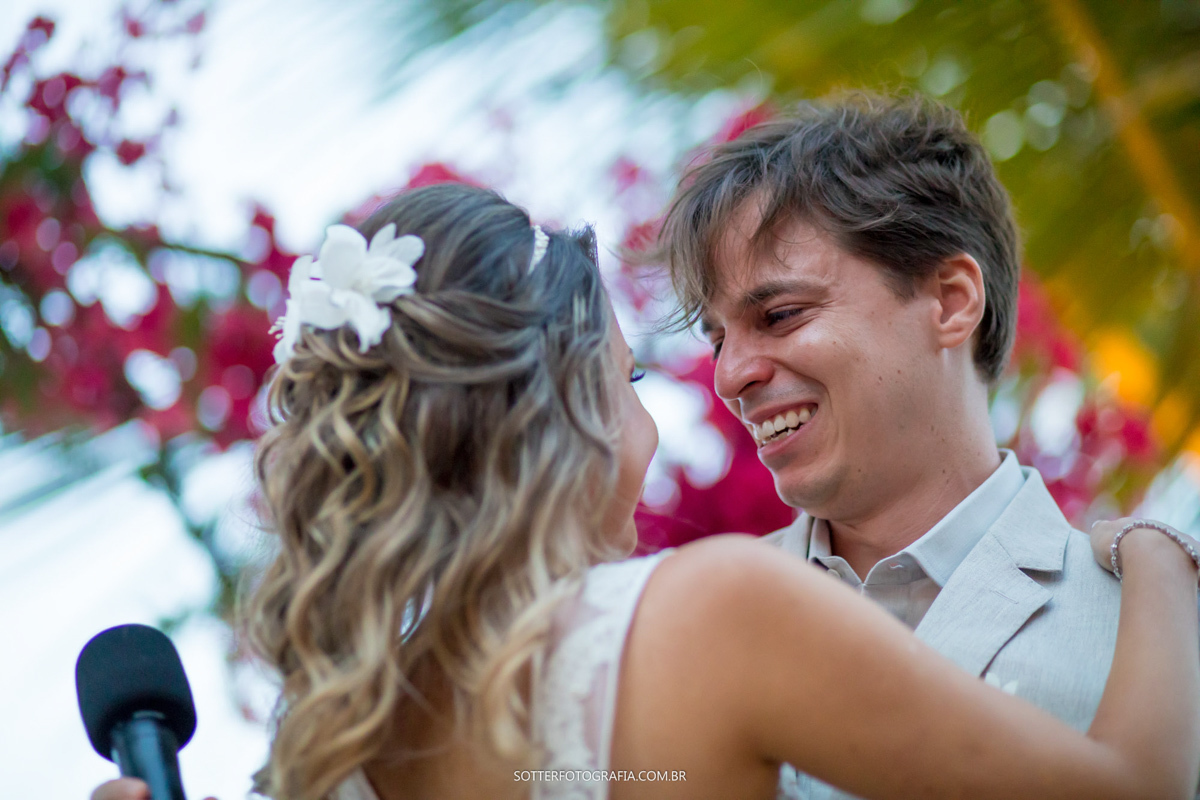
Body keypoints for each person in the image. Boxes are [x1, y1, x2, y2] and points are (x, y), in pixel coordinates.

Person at [93, 182, 1200, 800]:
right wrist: (1157, 551)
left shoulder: (325, 759)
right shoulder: (710, 612)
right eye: (627, 378)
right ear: (558, 409)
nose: (708, 387)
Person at [650, 92, 1197, 798]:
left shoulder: (1160, 620)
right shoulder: (687, 631)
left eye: (779, 315)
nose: (730, 375)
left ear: (950, 300)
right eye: (719, 337)